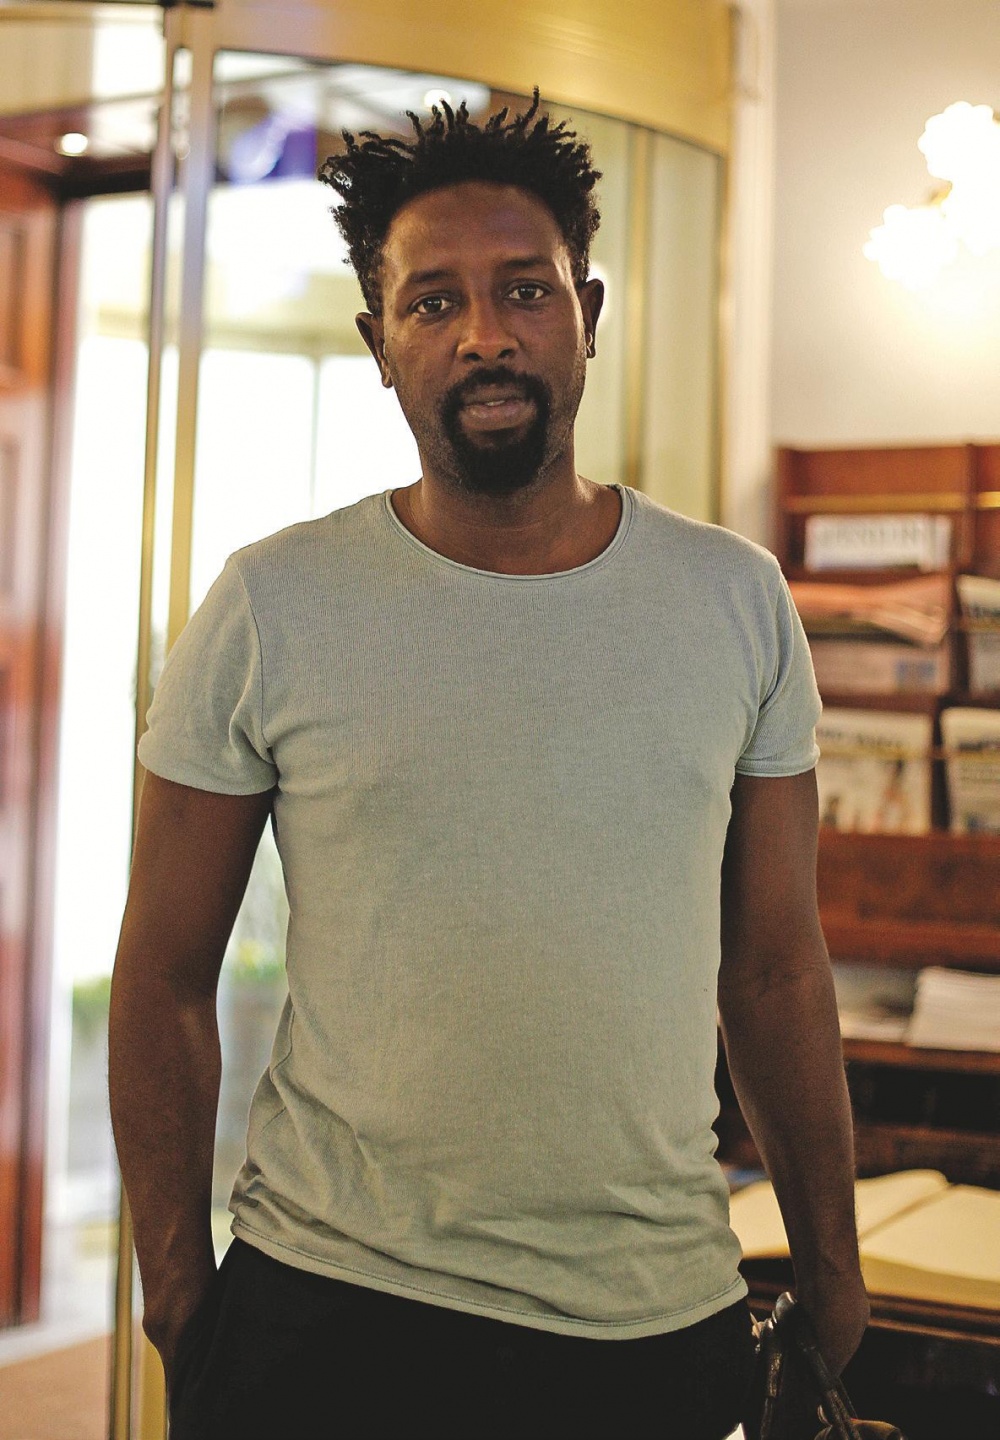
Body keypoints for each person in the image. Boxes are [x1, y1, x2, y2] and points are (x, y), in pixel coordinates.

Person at [109, 92, 869, 1440]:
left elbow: (773, 970)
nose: (485, 334)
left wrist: (833, 1262)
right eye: (433, 302)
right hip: (331, 1312)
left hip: (652, 1322)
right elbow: (165, 972)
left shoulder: (734, 600)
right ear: (379, 344)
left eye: (525, 290)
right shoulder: (273, 605)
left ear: (588, 312)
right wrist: (178, 1294)